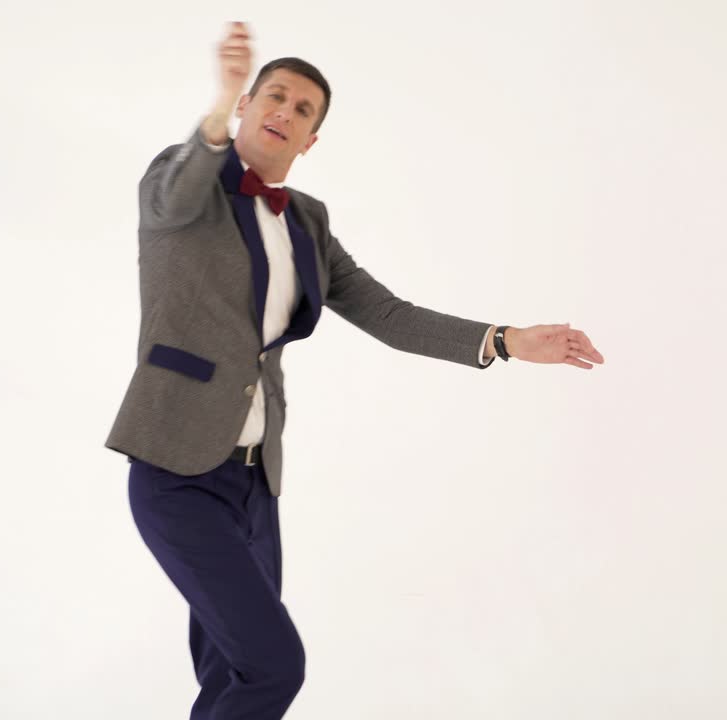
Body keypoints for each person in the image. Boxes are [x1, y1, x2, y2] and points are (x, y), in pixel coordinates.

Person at [106, 21, 605, 720]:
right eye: (273, 96)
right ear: (247, 104)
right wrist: (216, 106)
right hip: (175, 472)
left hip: (255, 484)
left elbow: (389, 315)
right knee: (273, 666)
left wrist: (508, 339)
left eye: (303, 109)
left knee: (231, 674)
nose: (285, 111)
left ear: (312, 140)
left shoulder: (306, 220)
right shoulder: (180, 184)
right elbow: (176, 191)